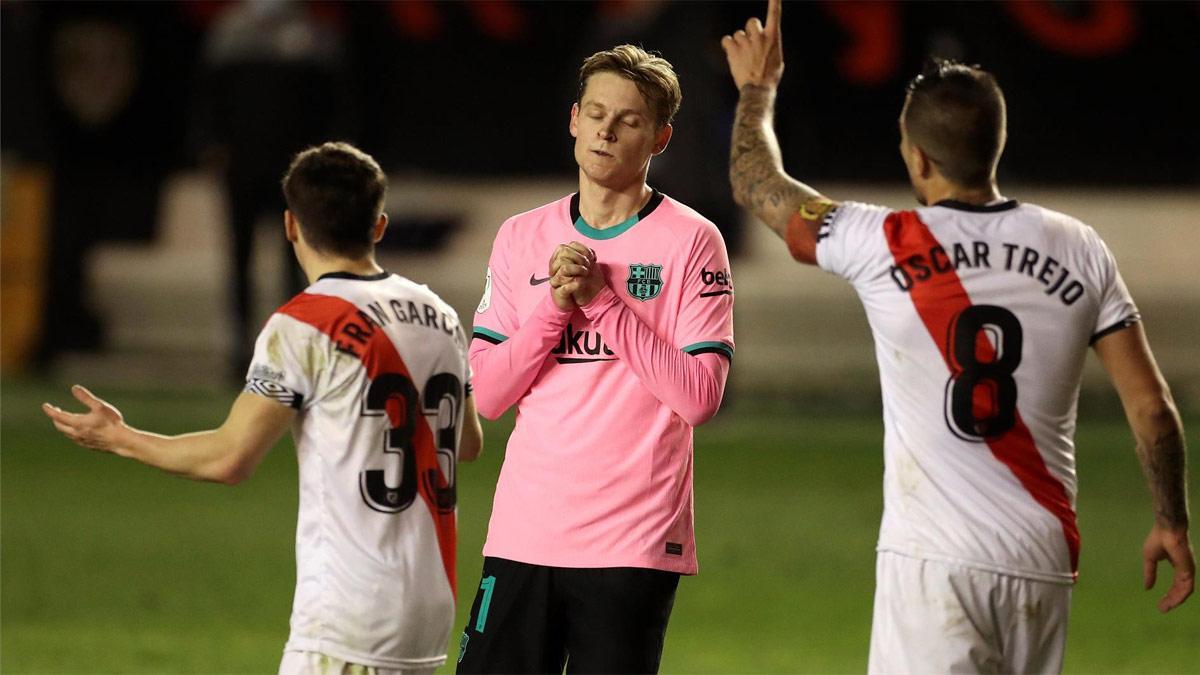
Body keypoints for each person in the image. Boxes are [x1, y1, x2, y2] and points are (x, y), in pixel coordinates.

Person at [721, 1, 1193, 672]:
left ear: (918, 158)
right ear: (995, 144)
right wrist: (1171, 519)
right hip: (1042, 555)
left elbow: (755, 181)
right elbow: (1154, 409)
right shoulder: (1079, 247)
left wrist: (758, 89)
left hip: (934, 560)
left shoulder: (881, 239)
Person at [42, 142, 484, 675]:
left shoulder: (304, 324)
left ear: (291, 226)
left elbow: (230, 457)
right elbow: (468, 443)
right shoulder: (439, 315)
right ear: (380, 226)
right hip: (427, 611)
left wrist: (120, 437)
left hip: (348, 616)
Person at [457, 45, 736, 673]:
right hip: (525, 531)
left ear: (661, 138)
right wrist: (554, 308)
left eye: (629, 120)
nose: (606, 130)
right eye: (597, 113)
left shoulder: (692, 241)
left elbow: (699, 398)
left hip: (631, 542)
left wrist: (602, 303)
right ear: (574, 119)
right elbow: (491, 394)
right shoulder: (521, 237)